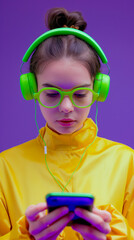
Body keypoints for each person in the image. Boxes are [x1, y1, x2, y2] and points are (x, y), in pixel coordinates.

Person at [0, 7, 134, 240]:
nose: (66, 107)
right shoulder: (4, 168)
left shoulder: (127, 163)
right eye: (51, 94)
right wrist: (24, 236)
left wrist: (112, 236)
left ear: (98, 90)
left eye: (80, 94)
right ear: (31, 89)